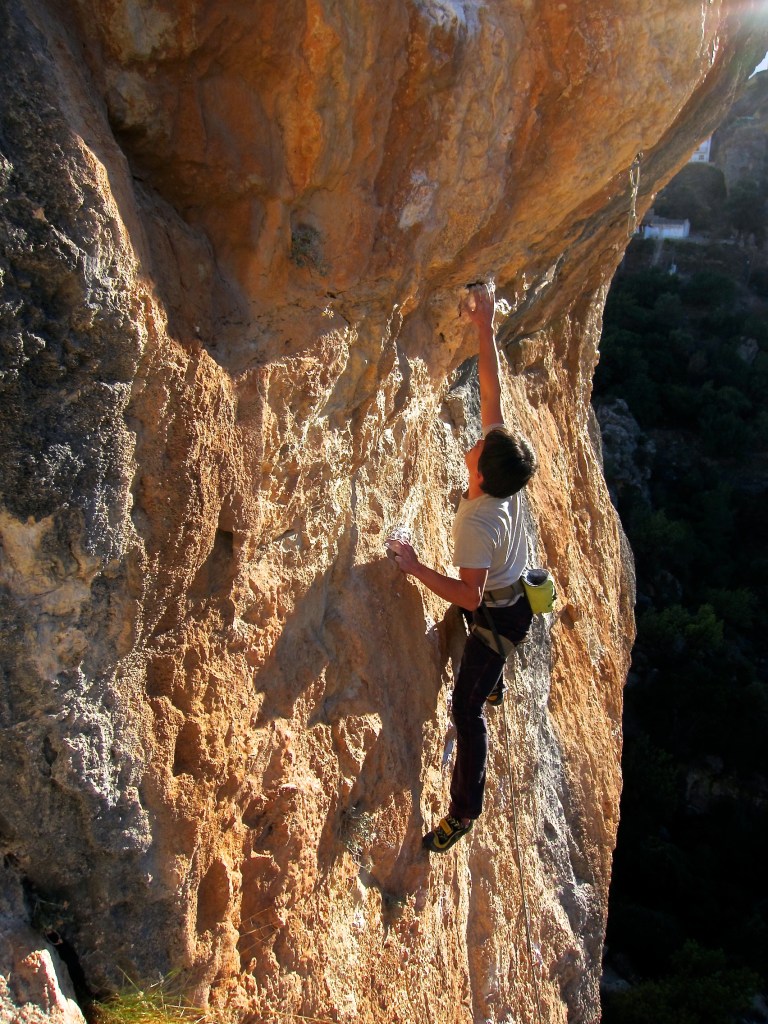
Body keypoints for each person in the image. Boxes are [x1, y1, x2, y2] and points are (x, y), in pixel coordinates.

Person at [387, 281, 538, 852]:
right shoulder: (503, 480)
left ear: (481, 468)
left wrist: (414, 566)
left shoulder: (478, 522)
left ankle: (464, 814)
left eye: (481, 443)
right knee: (484, 670)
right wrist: (484, 325)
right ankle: (494, 684)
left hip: (498, 614)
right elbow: (492, 397)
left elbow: (470, 599)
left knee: (464, 709)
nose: (479, 438)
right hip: (518, 592)